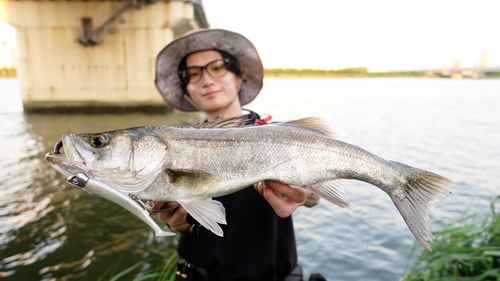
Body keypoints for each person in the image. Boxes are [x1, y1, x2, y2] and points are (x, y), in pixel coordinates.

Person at [149, 29, 322, 281]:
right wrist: (174, 217)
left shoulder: (280, 137)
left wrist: (307, 188)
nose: (206, 80)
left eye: (217, 67)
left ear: (240, 76)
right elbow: (175, 221)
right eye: (193, 75)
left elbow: (313, 198)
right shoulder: (170, 150)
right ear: (186, 91)